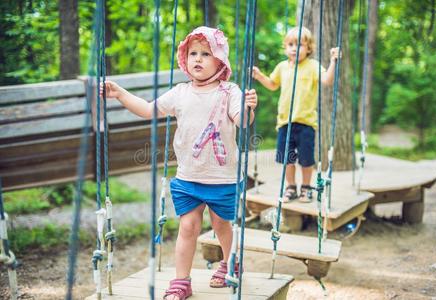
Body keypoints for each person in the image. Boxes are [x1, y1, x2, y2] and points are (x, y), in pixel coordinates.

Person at [101, 26, 257, 300]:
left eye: (206, 54)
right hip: (188, 177)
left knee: (221, 225)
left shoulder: (230, 91)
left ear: (220, 61)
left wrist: (248, 106)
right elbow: (149, 110)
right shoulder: (180, 92)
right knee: (188, 227)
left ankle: (230, 261)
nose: (198, 58)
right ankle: (181, 281)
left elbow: (242, 121)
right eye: (193, 53)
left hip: (222, 179)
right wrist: (121, 94)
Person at [252, 26, 340, 202]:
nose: (294, 48)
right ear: (285, 47)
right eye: (291, 44)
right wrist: (260, 76)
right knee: (288, 159)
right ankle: (290, 187)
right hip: (285, 123)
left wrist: (333, 61)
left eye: (300, 44)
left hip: (306, 123)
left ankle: (306, 188)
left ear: (308, 49)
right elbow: (272, 84)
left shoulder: (313, 66)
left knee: (306, 160)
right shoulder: (282, 67)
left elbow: (327, 80)